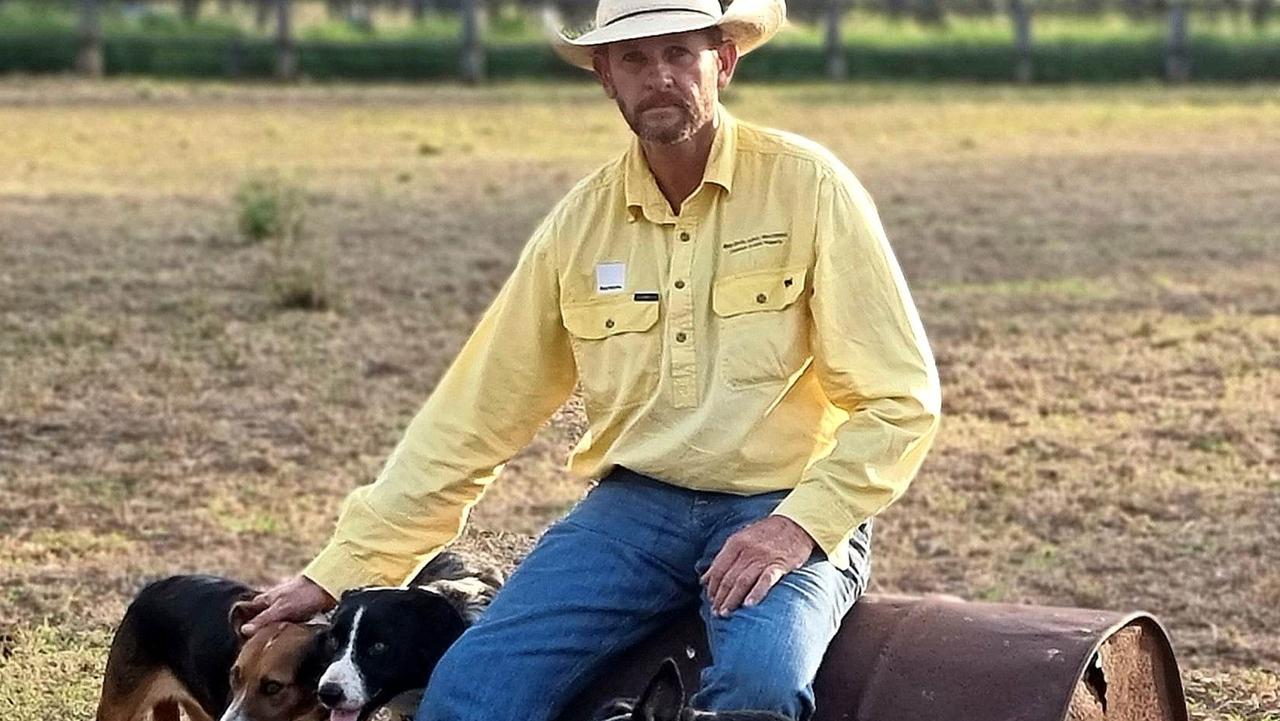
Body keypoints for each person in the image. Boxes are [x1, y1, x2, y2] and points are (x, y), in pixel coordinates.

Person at [237, 0, 941, 718]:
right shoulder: (582, 223)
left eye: (679, 53)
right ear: (606, 75)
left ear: (722, 62)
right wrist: (342, 569)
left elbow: (901, 400)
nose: (659, 76)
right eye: (634, 57)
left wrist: (798, 526)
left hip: (783, 499)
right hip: (634, 511)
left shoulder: (811, 188)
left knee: (756, 692)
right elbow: (473, 416)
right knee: (468, 692)